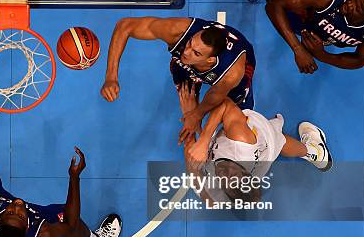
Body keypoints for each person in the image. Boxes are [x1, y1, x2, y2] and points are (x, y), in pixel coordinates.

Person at [100, 16, 256, 144]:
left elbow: (215, 96)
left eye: (195, 53)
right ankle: (199, 137)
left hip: (235, 69)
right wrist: (111, 77)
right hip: (186, 69)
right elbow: (125, 25)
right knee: (188, 104)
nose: (186, 52)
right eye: (189, 44)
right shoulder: (178, 31)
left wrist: (196, 115)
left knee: (238, 121)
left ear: (209, 61)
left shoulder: (232, 74)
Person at [178, 82, 332, 202]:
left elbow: (192, 163)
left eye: (225, 180)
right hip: (261, 140)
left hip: (250, 160)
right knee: (277, 139)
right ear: (245, 173)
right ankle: (316, 152)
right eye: (233, 174)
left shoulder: (212, 196)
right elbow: (225, 104)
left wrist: (189, 117)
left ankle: (314, 153)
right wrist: (203, 138)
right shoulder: (241, 140)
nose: (223, 172)